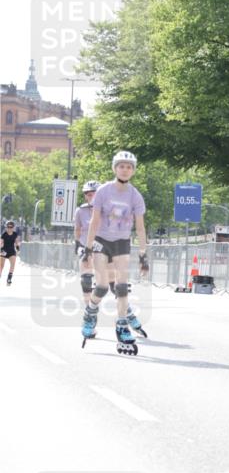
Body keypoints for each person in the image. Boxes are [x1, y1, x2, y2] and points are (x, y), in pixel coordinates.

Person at [80, 150, 149, 352]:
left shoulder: (135, 196)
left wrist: (143, 254)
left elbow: (141, 227)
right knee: (101, 286)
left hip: (121, 243)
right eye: (121, 166)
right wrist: (88, 248)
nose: (125, 170)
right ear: (115, 168)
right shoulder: (103, 191)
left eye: (129, 167)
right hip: (102, 240)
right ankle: (91, 312)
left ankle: (122, 324)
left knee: (121, 286)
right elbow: (94, 221)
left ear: (133, 171)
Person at [74, 181, 100, 309]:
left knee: (107, 282)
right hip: (85, 246)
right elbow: (77, 229)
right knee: (86, 280)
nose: (91, 197)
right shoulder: (80, 211)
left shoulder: (106, 210)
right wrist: (77, 244)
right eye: (88, 195)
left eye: (94, 194)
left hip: (102, 247)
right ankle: (88, 310)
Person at [1, 221, 21, 285]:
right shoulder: (4, 234)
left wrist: (18, 249)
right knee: (1, 266)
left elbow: (17, 242)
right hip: (4, 251)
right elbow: (1, 242)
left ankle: (9, 279)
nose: (9, 228)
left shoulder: (15, 234)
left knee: (12, 265)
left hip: (11, 251)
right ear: (6, 227)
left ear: (13, 227)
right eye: (8, 227)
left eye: (11, 227)